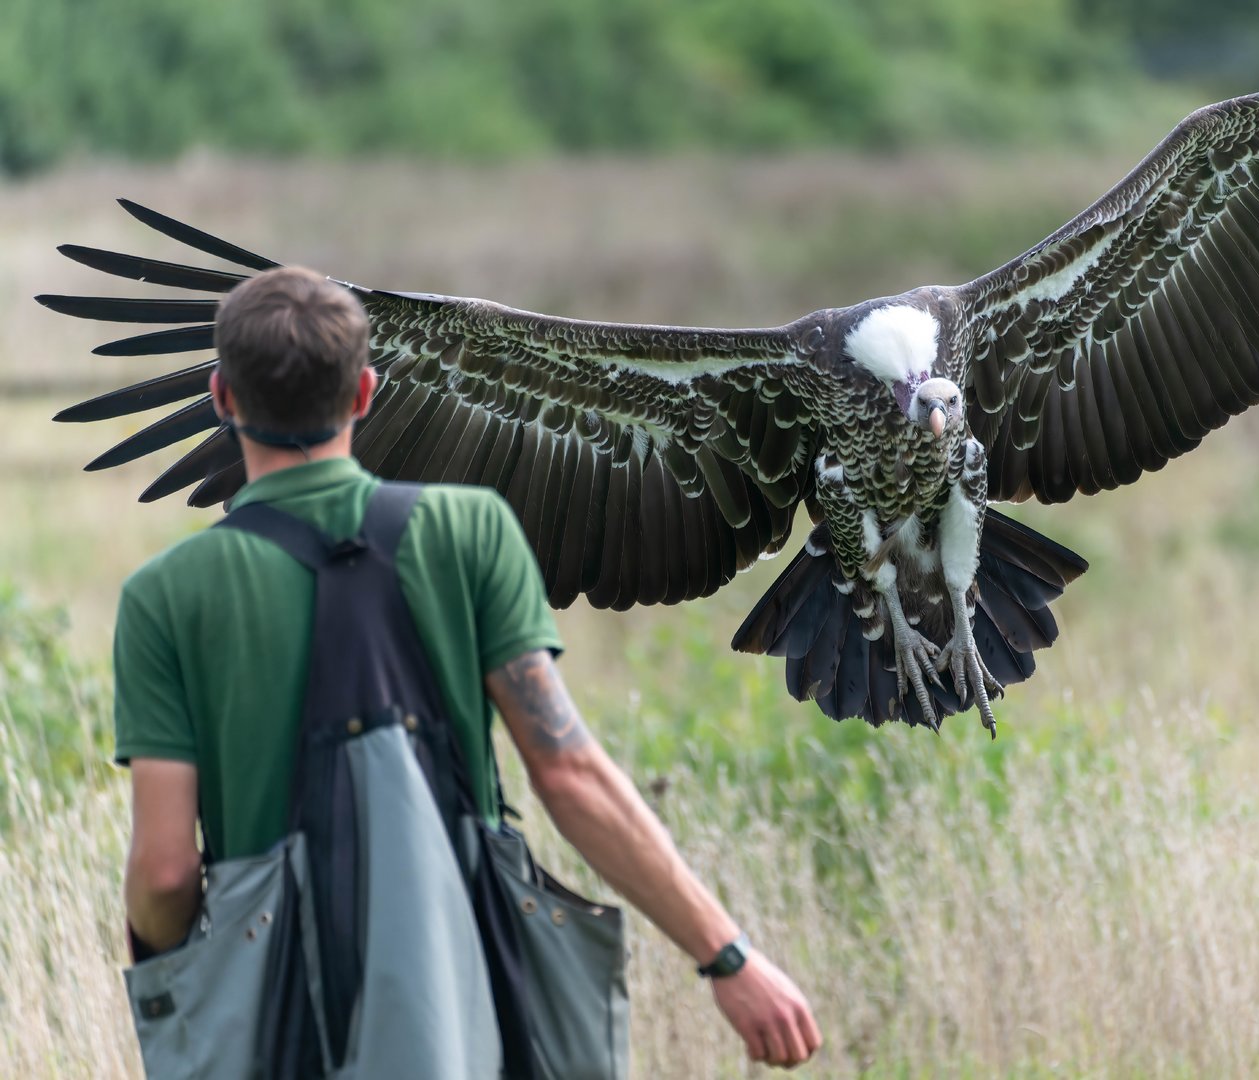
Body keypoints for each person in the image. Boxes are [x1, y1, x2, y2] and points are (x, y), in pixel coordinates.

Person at [115, 265, 822, 1070]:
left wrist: (175, 972)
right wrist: (727, 957)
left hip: (272, 1021)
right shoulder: (466, 533)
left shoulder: (165, 596)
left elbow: (167, 873)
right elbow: (570, 776)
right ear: (367, 394)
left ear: (222, 397)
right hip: (457, 998)